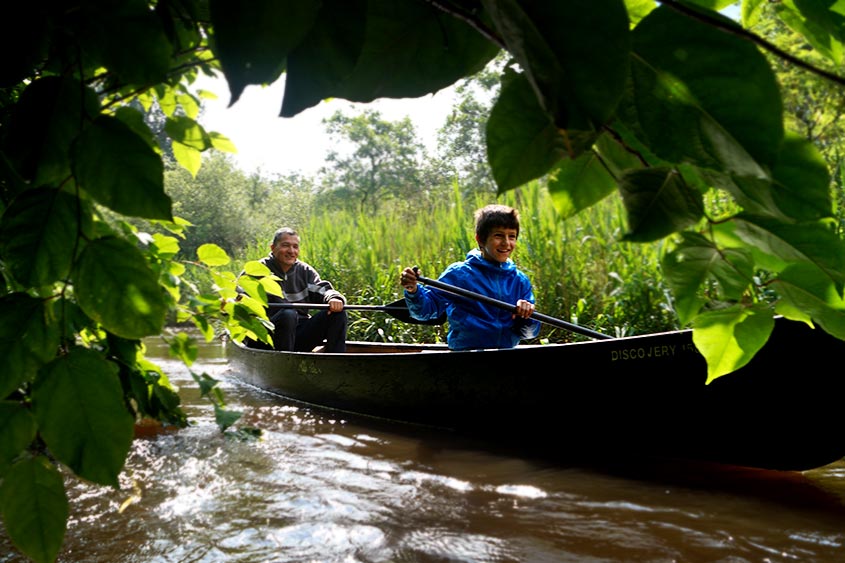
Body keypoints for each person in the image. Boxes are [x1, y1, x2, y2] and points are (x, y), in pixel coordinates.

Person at [400, 204, 540, 350]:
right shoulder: (459, 274)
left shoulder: (520, 281)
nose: (506, 243)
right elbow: (424, 312)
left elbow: (529, 334)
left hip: (504, 358)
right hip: (465, 358)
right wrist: (413, 291)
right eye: (498, 235)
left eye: (512, 236)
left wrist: (527, 316)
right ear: (480, 239)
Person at [243, 227, 348, 353]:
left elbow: (323, 289)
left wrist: (334, 298)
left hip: (298, 335)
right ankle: (286, 364)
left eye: (295, 247)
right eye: (285, 245)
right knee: (288, 314)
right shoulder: (257, 270)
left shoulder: (305, 271)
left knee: (339, 313)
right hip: (266, 336)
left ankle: (335, 363)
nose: (291, 251)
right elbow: (238, 300)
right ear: (272, 248)